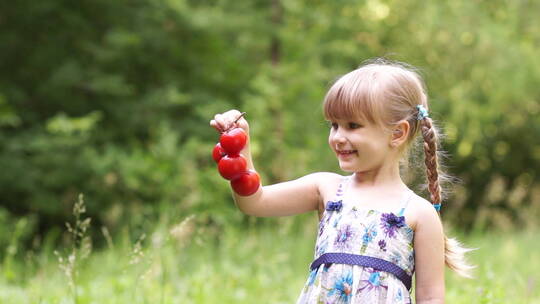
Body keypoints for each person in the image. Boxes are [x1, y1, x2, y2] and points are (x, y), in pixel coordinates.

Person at [210, 58, 473, 303]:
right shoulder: (326, 188)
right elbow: (255, 202)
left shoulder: (420, 213)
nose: (338, 136)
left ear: (397, 133)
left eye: (352, 126)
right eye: (334, 125)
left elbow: (431, 298)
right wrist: (239, 150)